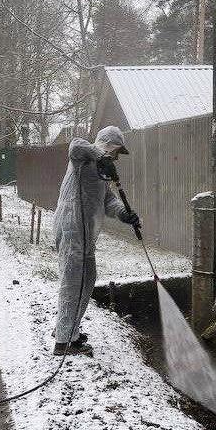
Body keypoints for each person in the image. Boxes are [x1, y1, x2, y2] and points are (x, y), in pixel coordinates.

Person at [53, 125, 140, 356]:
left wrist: (124, 213)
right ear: (106, 146)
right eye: (115, 152)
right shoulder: (82, 158)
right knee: (73, 283)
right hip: (72, 227)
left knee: (88, 278)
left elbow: (108, 200)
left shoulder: (101, 174)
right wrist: (101, 156)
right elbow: (76, 145)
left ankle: (69, 330)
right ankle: (63, 343)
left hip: (87, 232)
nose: (115, 158)